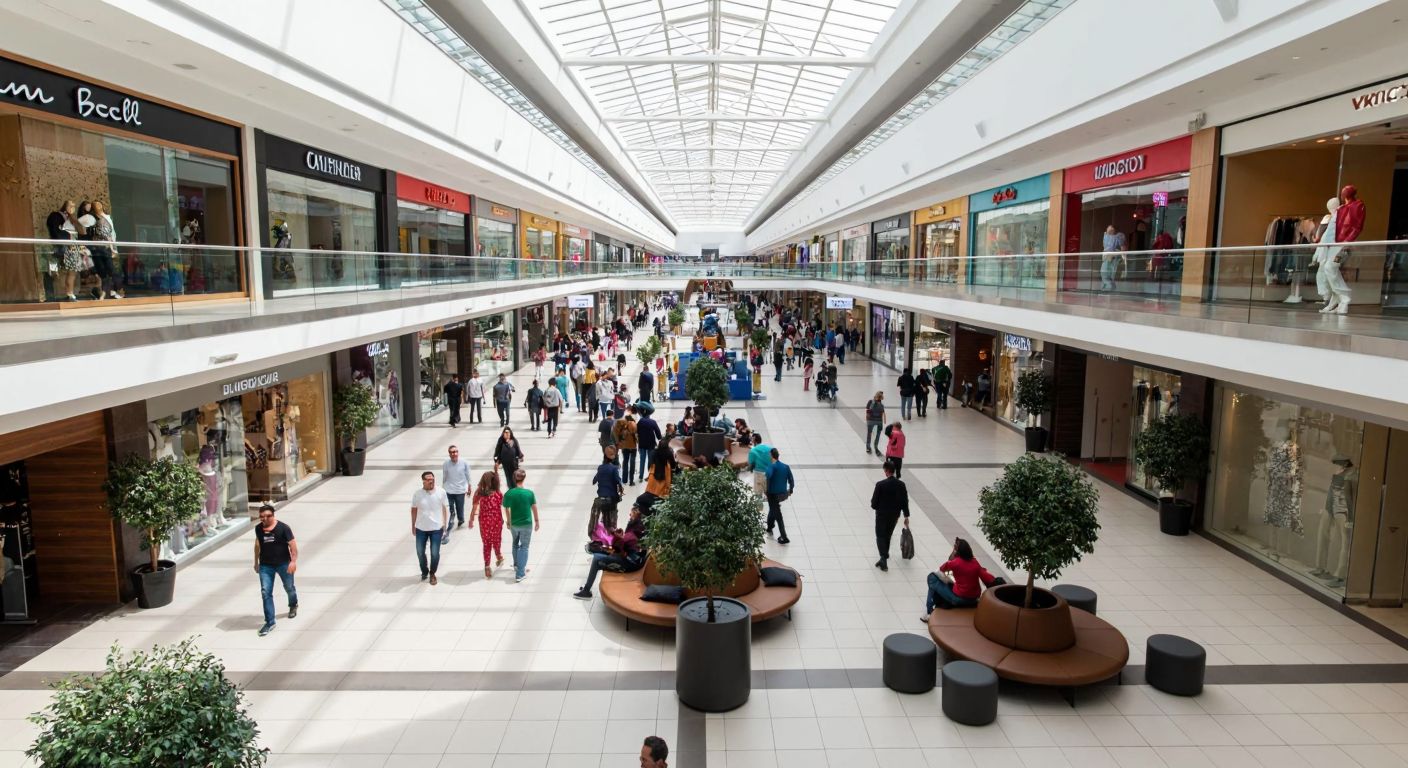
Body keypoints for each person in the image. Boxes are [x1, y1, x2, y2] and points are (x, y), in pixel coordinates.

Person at [573, 505, 646, 599]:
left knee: (597, 559)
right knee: (597, 559)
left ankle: (586, 590)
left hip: (630, 564)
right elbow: (623, 547)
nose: (629, 515)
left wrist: (617, 537)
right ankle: (586, 589)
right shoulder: (637, 528)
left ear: (636, 515)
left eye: (631, 514)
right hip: (630, 559)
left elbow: (619, 548)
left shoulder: (634, 532)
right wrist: (620, 537)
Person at [922, 538, 994, 622]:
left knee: (932, 577)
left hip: (959, 599)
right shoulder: (975, 563)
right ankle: (931, 608)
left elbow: (941, 569)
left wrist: (954, 552)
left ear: (957, 551)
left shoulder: (955, 563)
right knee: (950, 581)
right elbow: (988, 577)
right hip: (974, 599)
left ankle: (929, 612)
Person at [253, 503, 298, 637]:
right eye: (262, 516)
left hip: (284, 564)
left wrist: (293, 562)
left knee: (289, 587)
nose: (265, 519)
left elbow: (293, 546)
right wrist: (256, 562)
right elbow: (257, 545)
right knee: (265, 592)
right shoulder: (258, 528)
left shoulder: (283, 528)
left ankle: (293, 604)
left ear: (273, 515)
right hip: (265, 566)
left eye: (268, 516)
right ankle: (270, 622)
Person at [410, 471, 449, 585]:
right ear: (423, 481)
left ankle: (432, 573)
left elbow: (444, 508)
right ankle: (424, 571)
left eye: (432, 479)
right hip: (421, 528)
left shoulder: (441, 492)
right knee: (420, 552)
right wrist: (413, 525)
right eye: (428, 479)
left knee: (435, 553)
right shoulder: (417, 494)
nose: (431, 481)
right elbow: (414, 510)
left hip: (437, 528)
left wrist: (445, 524)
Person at [870, 460, 910, 572]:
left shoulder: (880, 485)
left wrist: (876, 505)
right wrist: (906, 516)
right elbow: (905, 501)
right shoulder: (901, 485)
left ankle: (883, 558)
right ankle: (884, 556)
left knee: (880, 536)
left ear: (887, 471)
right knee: (888, 535)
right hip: (894, 516)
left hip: (881, 515)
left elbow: (873, 504)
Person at [503, 468, 539, 583]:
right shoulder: (529, 493)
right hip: (526, 524)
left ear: (514, 479)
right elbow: (534, 507)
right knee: (524, 546)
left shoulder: (509, 493)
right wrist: (537, 521)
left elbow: (506, 508)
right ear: (524, 478)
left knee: (515, 543)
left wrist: (508, 521)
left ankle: (516, 565)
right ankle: (520, 573)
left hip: (514, 524)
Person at [469, 471, 505, 579]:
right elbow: (504, 505)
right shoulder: (498, 493)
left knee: (486, 543)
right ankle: (498, 555)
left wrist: (471, 519)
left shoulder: (479, 493)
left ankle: (487, 566)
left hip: (484, 522)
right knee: (497, 540)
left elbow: (474, 507)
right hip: (497, 520)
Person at [764, 448, 794, 544]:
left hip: (772, 494)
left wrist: (765, 490)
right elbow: (791, 479)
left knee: (778, 515)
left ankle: (784, 537)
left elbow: (767, 476)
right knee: (773, 508)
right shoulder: (786, 466)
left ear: (771, 456)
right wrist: (791, 490)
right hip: (783, 494)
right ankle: (769, 527)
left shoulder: (772, 466)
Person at [593, 446, 625, 530]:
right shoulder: (614, 468)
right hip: (611, 498)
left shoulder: (600, 467)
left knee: (604, 514)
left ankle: (603, 528)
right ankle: (612, 530)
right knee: (613, 516)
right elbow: (618, 481)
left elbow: (594, 481)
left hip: (601, 497)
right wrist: (621, 490)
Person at [441, 444, 472, 532]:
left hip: (460, 490)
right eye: (452, 452)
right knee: (450, 505)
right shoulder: (446, 463)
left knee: (459, 507)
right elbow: (445, 475)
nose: (454, 454)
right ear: (449, 454)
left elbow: (468, 475)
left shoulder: (464, 462)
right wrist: (443, 487)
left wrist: (469, 486)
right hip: (449, 489)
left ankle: (461, 519)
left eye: (455, 452)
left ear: (458, 453)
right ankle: (452, 514)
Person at [635, 407, 662, 485]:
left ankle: (640, 477)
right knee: (650, 461)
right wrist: (659, 438)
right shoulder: (653, 422)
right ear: (649, 415)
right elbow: (657, 431)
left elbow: (636, 432)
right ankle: (650, 475)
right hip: (651, 444)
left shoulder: (640, 422)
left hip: (642, 444)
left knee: (642, 460)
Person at [614, 413, 639, 485]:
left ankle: (624, 480)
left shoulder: (622, 425)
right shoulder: (634, 425)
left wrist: (618, 441)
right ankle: (631, 481)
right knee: (632, 462)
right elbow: (637, 436)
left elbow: (616, 431)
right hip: (633, 447)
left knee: (625, 462)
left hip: (625, 446)